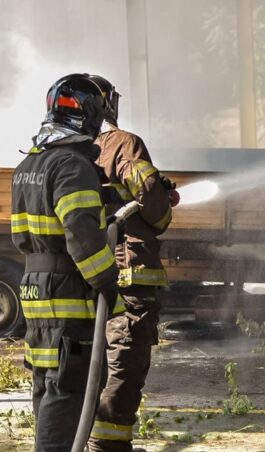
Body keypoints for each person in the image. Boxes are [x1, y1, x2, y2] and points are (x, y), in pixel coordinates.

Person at [11, 73, 125, 451]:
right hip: (68, 293)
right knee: (69, 390)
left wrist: (108, 201)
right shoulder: (73, 166)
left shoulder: (31, 164)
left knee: (49, 382)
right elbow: (81, 235)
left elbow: (56, 215)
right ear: (88, 116)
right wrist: (107, 281)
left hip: (36, 288)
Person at [87, 75, 177, 452]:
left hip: (90, 275)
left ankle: (86, 440)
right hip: (130, 276)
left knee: (88, 366)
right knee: (123, 364)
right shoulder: (123, 143)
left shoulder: (71, 152)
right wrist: (161, 203)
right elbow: (152, 201)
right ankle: (107, 447)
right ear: (108, 104)